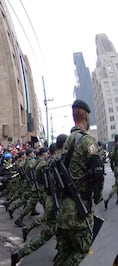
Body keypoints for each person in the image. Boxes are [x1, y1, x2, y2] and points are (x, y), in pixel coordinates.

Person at [54, 99, 104, 266]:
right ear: (86, 116)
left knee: (63, 254)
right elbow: (98, 173)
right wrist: (97, 197)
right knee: (83, 252)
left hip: (63, 208)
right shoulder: (87, 141)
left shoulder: (66, 142)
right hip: (79, 209)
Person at [105, 134, 118, 209]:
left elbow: (111, 157)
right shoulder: (115, 148)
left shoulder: (113, 148)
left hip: (116, 168)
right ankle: (108, 199)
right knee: (116, 185)